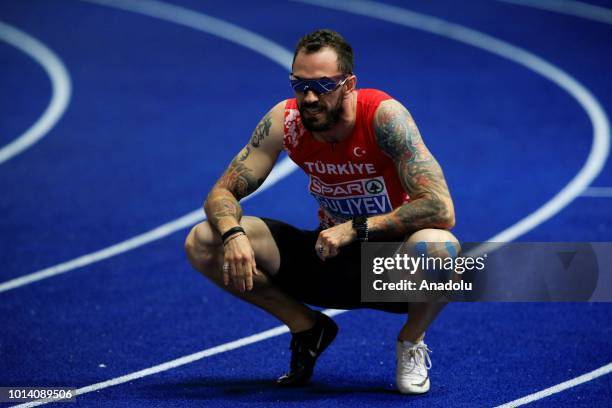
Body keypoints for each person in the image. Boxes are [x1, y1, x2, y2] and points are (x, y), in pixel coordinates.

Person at [184, 29, 458, 394]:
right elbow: (222, 191)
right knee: (203, 240)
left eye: (323, 85)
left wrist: (356, 228)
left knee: (441, 248)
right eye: (300, 84)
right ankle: (306, 326)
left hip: (390, 270)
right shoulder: (286, 121)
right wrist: (233, 235)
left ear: (349, 84)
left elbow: (441, 207)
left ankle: (411, 340)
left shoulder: (383, 117)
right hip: (327, 255)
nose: (309, 97)